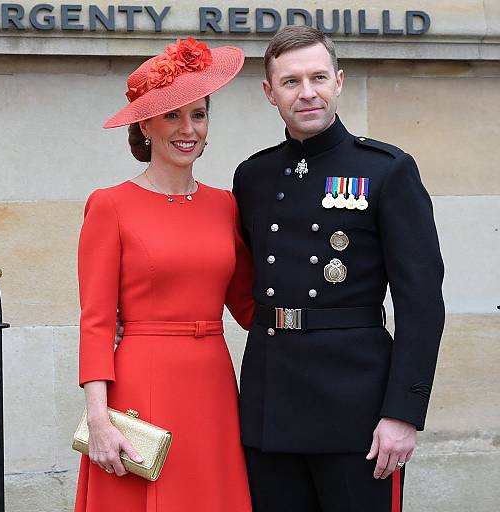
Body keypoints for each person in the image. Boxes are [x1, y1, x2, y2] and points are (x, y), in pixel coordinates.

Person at [232, 26, 445, 512]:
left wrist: (403, 413)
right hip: (271, 402)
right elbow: (233, 273)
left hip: (359, 412)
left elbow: (422, 305)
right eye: (290, 82)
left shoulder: (386, 169)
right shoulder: (254, 176)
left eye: (318, 77)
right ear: (270, 92)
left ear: (339, 82)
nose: (307, 93)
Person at [74, 37, 254, 512]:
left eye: (199, 114)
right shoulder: (109, 205)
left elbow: (252, 307)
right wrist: (98, 419)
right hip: (141, 384)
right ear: (146, 126)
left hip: (213, 382)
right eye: (172, 115)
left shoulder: (225, 205)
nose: (187, 129)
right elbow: (95, 321)